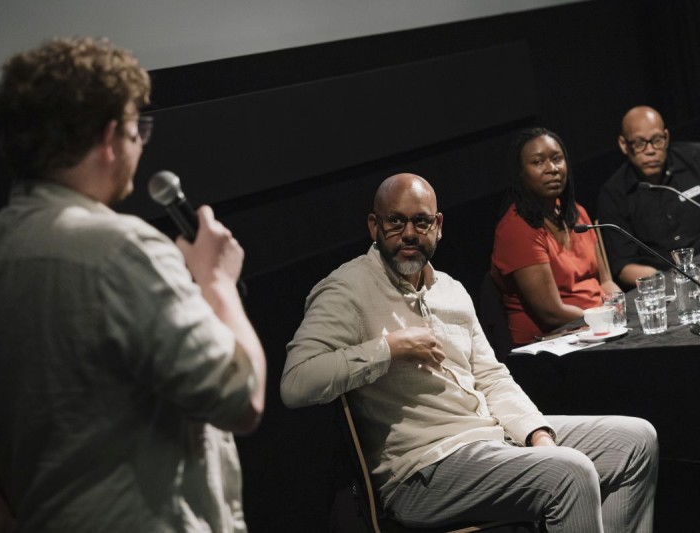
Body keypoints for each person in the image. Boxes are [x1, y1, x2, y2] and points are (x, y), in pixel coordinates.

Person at [0, 37, 266, 531]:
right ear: (109, 137)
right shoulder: (121, 249)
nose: (140, 142)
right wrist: (217, 281)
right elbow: (243, 397)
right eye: (136, 127)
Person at [282, 173, 658, 532]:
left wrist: (535, 432)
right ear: (374, 226)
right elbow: (296, 383)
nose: (409, 233)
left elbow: (491, 377)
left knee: (634, 440)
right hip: (423, 470)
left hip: (490, 439)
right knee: (570, 472)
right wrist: (387, 349)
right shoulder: (347, 290)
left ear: (439, 225)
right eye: (396, 222)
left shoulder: (450, 289)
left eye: (421, 222)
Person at [598, 105, 700, 287]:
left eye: (657, 140)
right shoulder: (614, 193)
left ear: (666, 137)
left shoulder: (698, 158)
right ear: (624, 145)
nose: (650, 150)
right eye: (640, 144)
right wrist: (672, 279)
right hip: (665, 283)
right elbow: (624, 267)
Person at [491, 127, 621, 345]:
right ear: (520, 172)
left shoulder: (577, 212)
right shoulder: (516, 229)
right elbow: (551, 312)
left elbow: (606, 282)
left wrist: (624, 310)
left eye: (557, 159)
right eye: (538, 162)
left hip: (598, 326)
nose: (552, 169)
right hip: (554, 340)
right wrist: (605, 318)